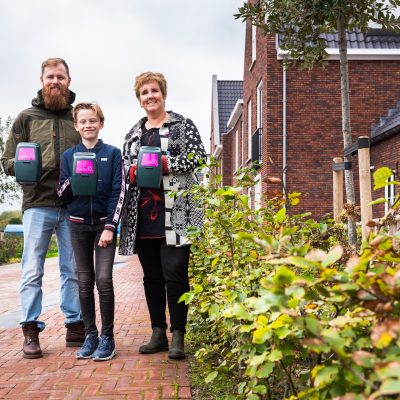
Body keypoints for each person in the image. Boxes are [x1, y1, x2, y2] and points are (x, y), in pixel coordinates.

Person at [0, 57, 85, 359]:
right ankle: (30, 330)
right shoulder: (26, 118)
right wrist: (25, 166)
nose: (55, 82)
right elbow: (6, 160)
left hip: (72, 203)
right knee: (32, 269)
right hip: (37, 203)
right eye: (50, 77)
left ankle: (75, 324)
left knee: (72, 268)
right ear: (41, 80)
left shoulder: (78, 116)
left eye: (60, 77)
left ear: (68, 80)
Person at [119, 72, 206, 359]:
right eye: (144, 92)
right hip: (144, 217)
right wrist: (132, 171)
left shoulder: (182, 125)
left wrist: (166, 164)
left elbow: (198, 157)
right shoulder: (133, 133)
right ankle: (158, 332)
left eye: (154, 90)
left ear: (163, 94)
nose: (150, 96)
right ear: (139, 100)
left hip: (177, 214)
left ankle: (178, 334)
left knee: (176, 274)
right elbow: (124, 166)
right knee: (152, 277)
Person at [58, 102, 125, 361]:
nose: (88, 125)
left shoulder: (113, 153)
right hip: (78, 226)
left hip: (103, 227)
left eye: (93, 120)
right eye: (83, 121)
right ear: (76, 126)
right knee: (84, 283)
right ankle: (90, 335)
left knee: (103, 280)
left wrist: (110, 227)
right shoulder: (68, 156)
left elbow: (118, 191)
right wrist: (75, 178)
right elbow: (62, 194)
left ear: (101, 124)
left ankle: (107, 338)